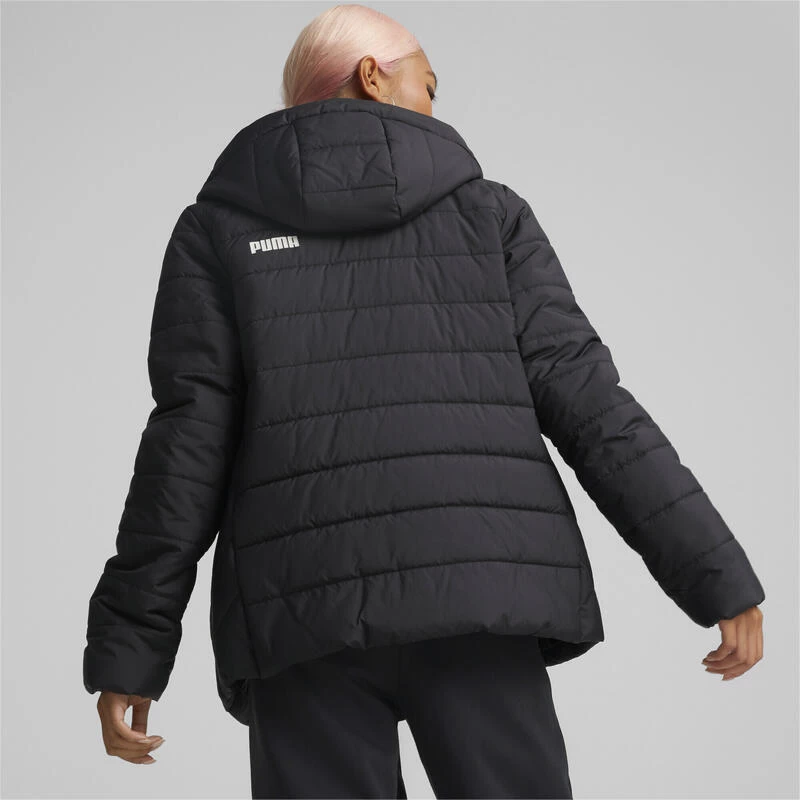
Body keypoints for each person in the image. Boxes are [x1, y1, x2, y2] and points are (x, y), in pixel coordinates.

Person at [83, 4, 766, 798]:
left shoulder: (215, 232)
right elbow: (591, 404)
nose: (436, 109)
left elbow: (186, 447)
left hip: (301, 613)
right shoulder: (490, 216)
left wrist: (131, 649)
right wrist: (715, 576)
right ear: (373, 78)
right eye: (429, 86)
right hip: (480, 595)